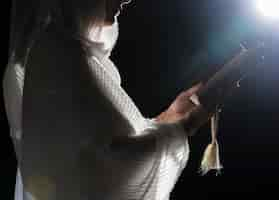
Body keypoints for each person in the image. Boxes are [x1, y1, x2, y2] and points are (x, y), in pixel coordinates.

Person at [3, 0, 223, 199]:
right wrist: (185, 125)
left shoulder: (59, 48)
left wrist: (170, 117)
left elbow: (99, 149)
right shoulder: (60, 53)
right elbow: (106, 171)